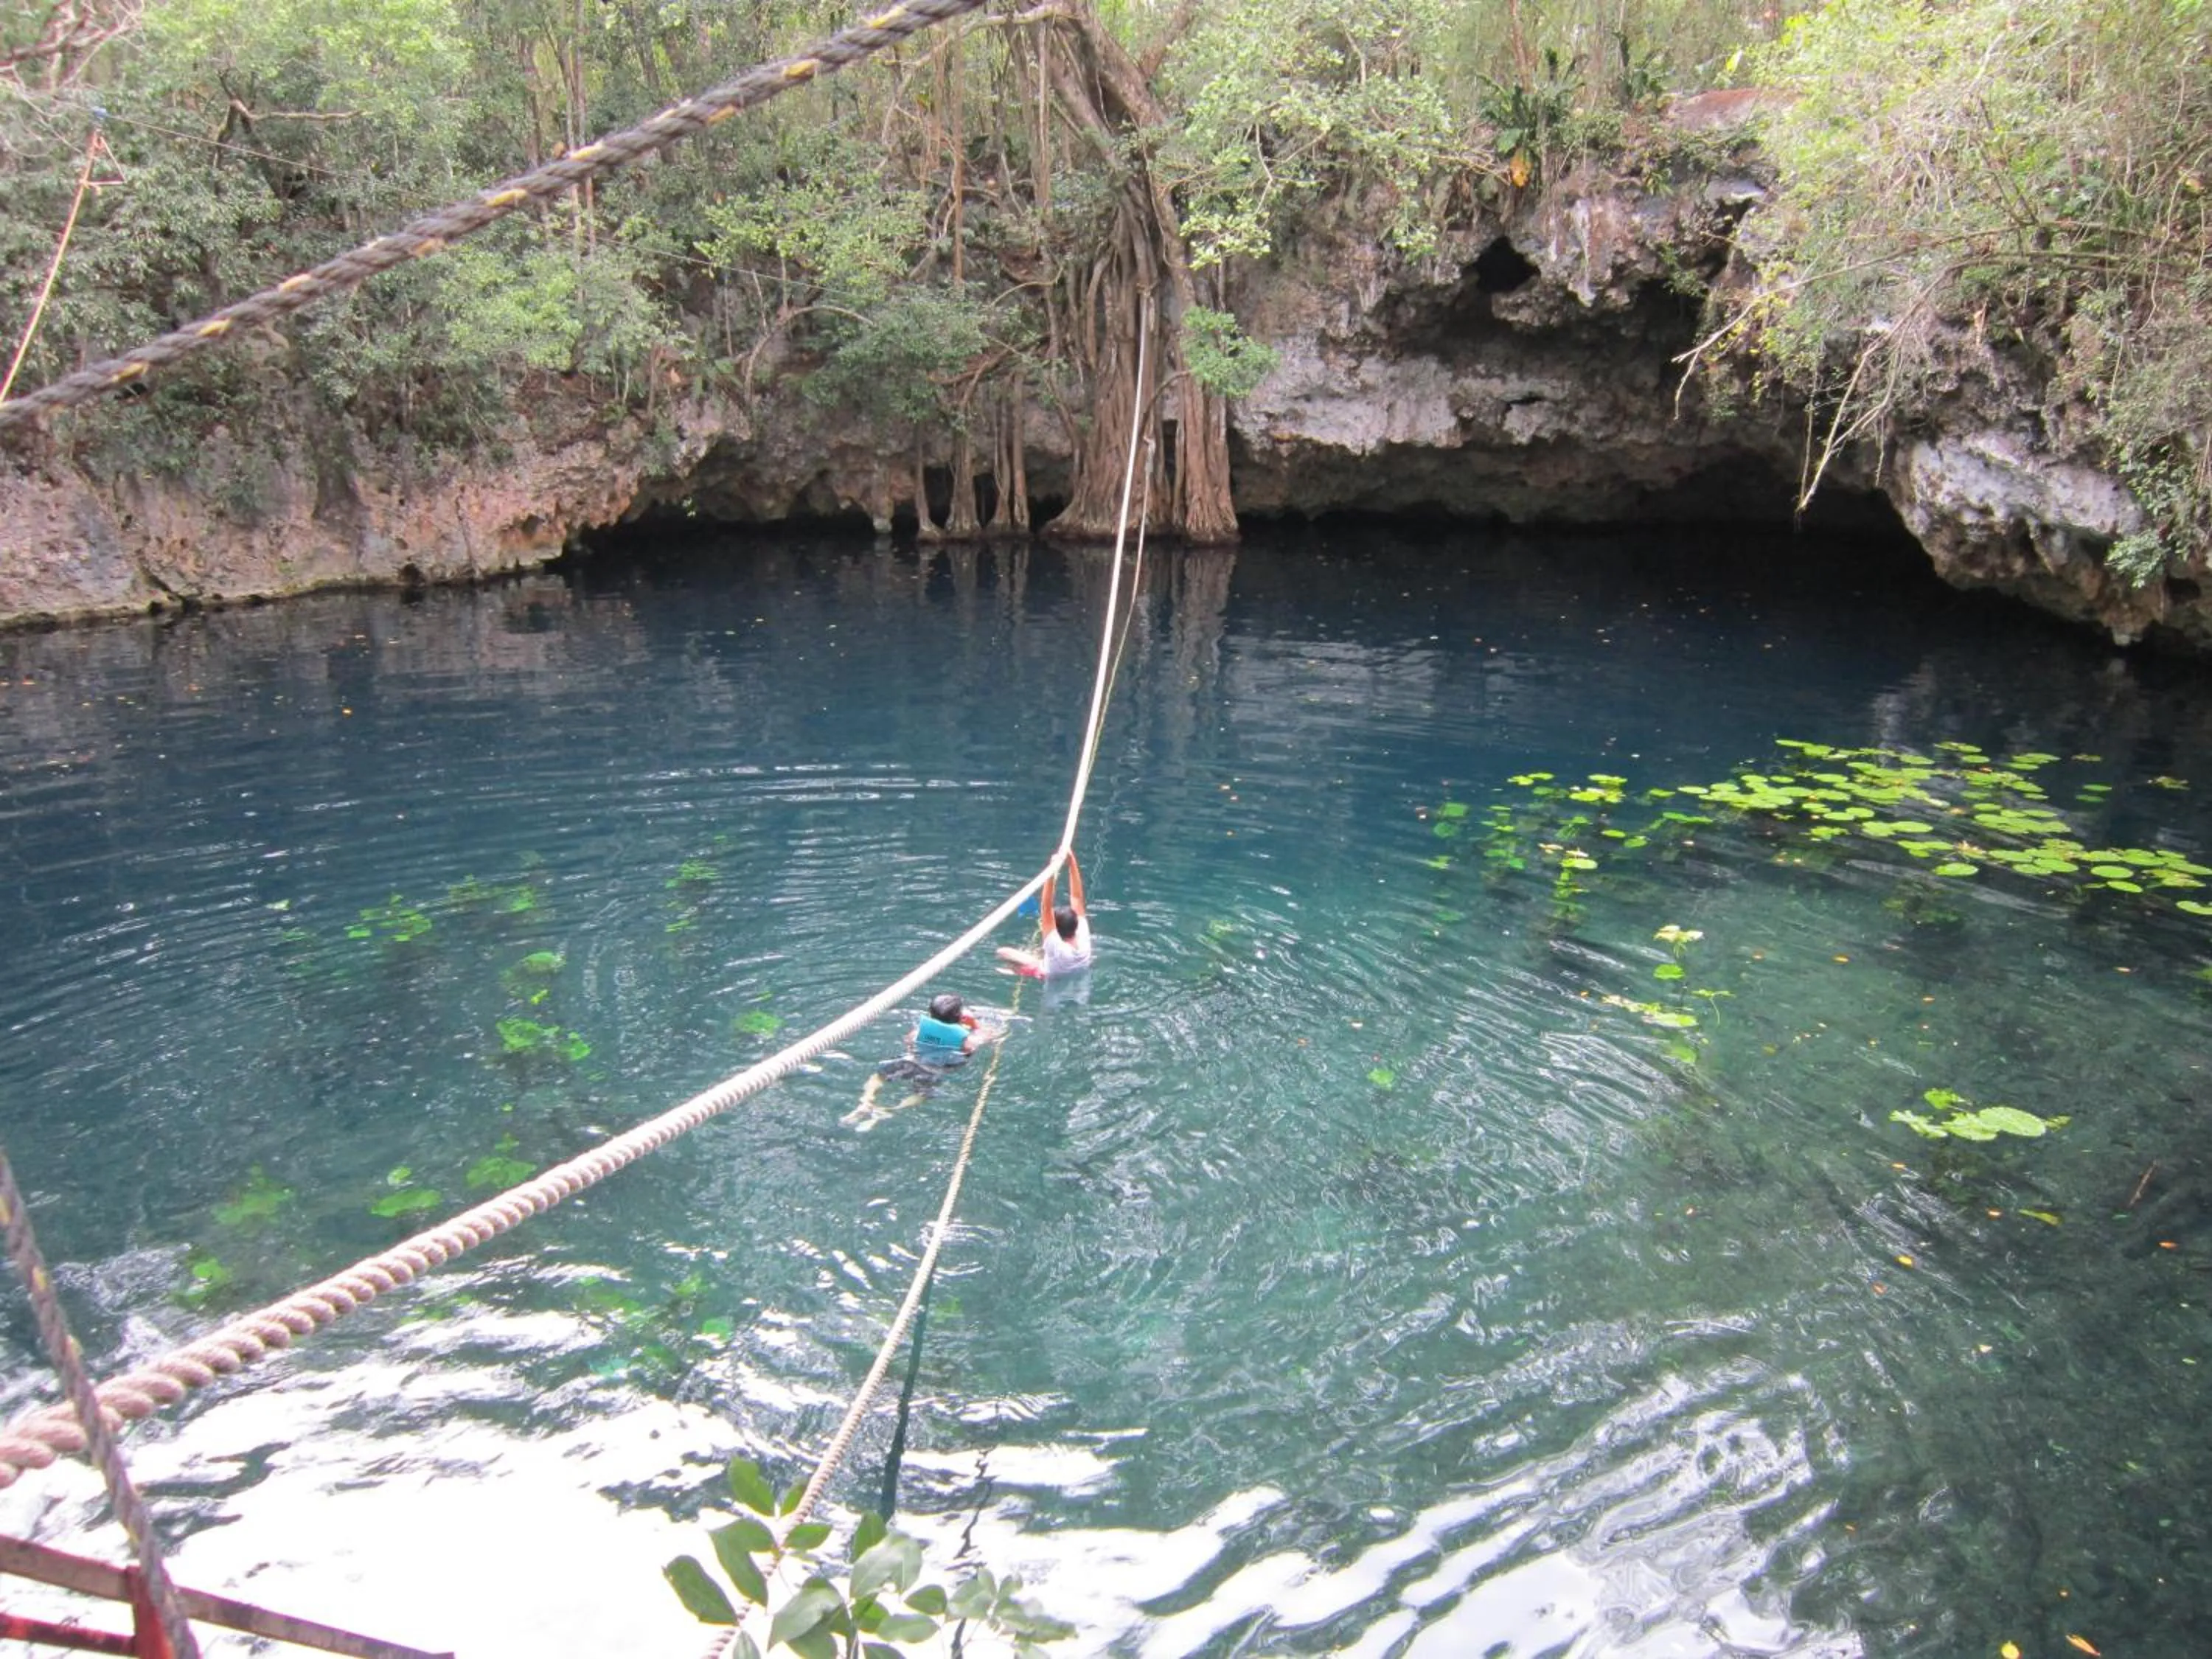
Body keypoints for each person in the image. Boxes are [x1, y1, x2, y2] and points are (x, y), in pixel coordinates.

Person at [843, 992, 1004, 1128]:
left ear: (931, 1013)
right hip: (932, 1071)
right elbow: (986, 1038)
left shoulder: (920, 1030)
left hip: (910, 1061)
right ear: (960, 1017)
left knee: (879, 1076)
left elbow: (909, 1040)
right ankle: (890, 1109)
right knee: (922, 1094)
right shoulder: (964, 1039)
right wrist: (975, 1025)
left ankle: (866, 1100)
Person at [997, 852, 1093, 978]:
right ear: (1075, 924)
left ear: (1057, 931)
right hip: (1074, 969)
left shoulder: (1055, 945)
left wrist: (1052, 870)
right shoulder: (1083, 936)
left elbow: (1046, 907)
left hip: (1044, 973)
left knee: (1002, 952)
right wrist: (1072, 861)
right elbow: (1077, 898)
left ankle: (1023, 969)